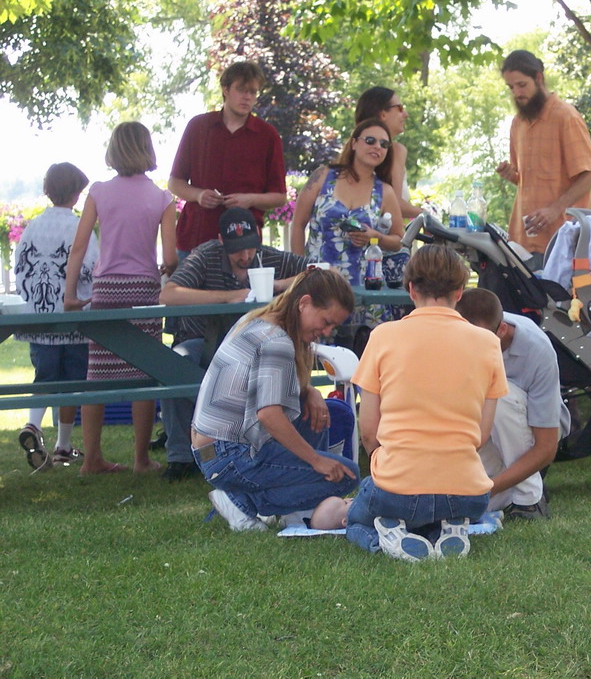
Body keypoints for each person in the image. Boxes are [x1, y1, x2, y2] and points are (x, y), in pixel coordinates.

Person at [346, 245, 507, 561]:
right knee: (432, 510)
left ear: (410, 289)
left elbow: (368, 430)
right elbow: (482, 433)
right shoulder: (489, 343)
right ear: (459, 292)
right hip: (467, 493)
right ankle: (447, 530)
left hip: (397, 487)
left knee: (356, 520)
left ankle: (386, 538)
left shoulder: (383, 336)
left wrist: (384, 460)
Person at [191, 268, 360, 532]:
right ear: (304, 303)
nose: (327, 331)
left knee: (314, 413)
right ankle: (241, 502)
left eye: (333, 327)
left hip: (213, 449)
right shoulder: (277, 341)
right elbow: (268, 414)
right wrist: (316, 461)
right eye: (326, 321)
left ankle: (291, 509)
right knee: (346, 475)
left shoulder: (257, 321)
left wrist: (310, 392)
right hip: (229, 454)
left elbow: (265, 388)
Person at [157, 207, 311, 481]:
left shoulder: (270, 257)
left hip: (251, 347)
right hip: (200, 341)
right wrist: (227, 297)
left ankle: (264, 447)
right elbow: (168, 294)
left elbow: (316, 273)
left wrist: (277, 285)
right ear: (220, 241)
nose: (245, 256)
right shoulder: (205, 256)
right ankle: (180, 457)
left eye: (250, 247)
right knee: (176, 365)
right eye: (236, 250)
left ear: (258, 236)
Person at [64, 122, 178, 475]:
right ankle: (141, 459)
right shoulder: (162, 198)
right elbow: (170, 257)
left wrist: (70, 294)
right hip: (143, 289)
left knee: (97, 373)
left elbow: (79, 246)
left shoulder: (98, 192)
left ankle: (91, 459)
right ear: (147, 149)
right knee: (144, 373)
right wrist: (166, 268)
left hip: (106, 289)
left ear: (114, 150)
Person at [291, 118, 406, 352]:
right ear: (354, 143)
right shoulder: (324, 176)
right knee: (312, 356)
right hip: (319, 286)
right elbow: (298, 224)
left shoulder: (384, 191)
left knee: (365, 360)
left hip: (364, 291)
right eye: (370, 140)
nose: (377, 147)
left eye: (384, 144)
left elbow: (398, 240)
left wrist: (374, 237)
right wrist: (300, 271)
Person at [456, 288, 569, 520]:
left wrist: (487, 490)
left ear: (502, 330)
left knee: (498, 395)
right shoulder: (456, 337)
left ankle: (529, 500)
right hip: (481, 427)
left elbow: (546, 447)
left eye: (478, 342)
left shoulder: (537, 350)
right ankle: (507, 494)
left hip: (537, 428)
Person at [13, 163, 98, 470]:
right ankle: (63, 444)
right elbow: (91, 267)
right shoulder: (79, 226)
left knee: (45, 376)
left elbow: (21, 266)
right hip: (74, 316)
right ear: (77, 193)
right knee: (74, 381)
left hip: (40, 317)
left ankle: (34, 425)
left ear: (47, 190)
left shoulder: (33, 227)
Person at [168, 60, 287, 256]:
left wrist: (250, 199)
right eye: (241, 90)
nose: (247, 97)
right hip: (195, 239)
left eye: (253, 92)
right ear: (225, 89)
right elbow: (175, 182)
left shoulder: (267, 136)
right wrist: (199, 195)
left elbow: (279, 196)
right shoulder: (198, 127)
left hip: (243, 243)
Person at [495, 50, 591, 259]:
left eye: (522, 85)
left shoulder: (566, 116)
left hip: (563, 240)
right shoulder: (518, 123)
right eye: (511, 87)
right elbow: (526, 180)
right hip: (524, 239)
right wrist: (511, 175)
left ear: (538, 78)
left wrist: (554, 210)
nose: (516, 93)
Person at [354, 86, 423, 218]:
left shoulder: (353, 150)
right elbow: (394, 205)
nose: (405, 114)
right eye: (400, 108)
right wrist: (429, 216)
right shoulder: (396, 150)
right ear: (383, 114)